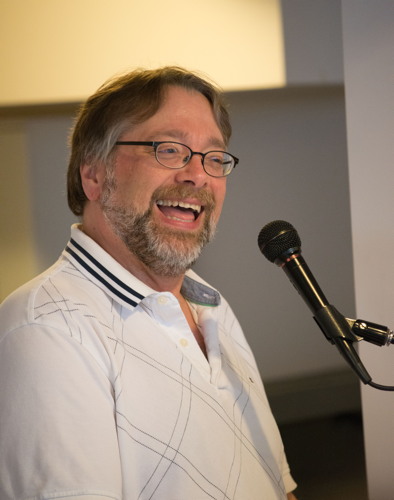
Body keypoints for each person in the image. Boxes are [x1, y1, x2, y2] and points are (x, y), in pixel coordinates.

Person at [0, 67, 297, 499]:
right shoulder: (48, 328)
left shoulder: (210, 306)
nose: (197, 175)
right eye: (170, 149)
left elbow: (276, 485)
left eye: (214, 157)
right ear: (95, 175)